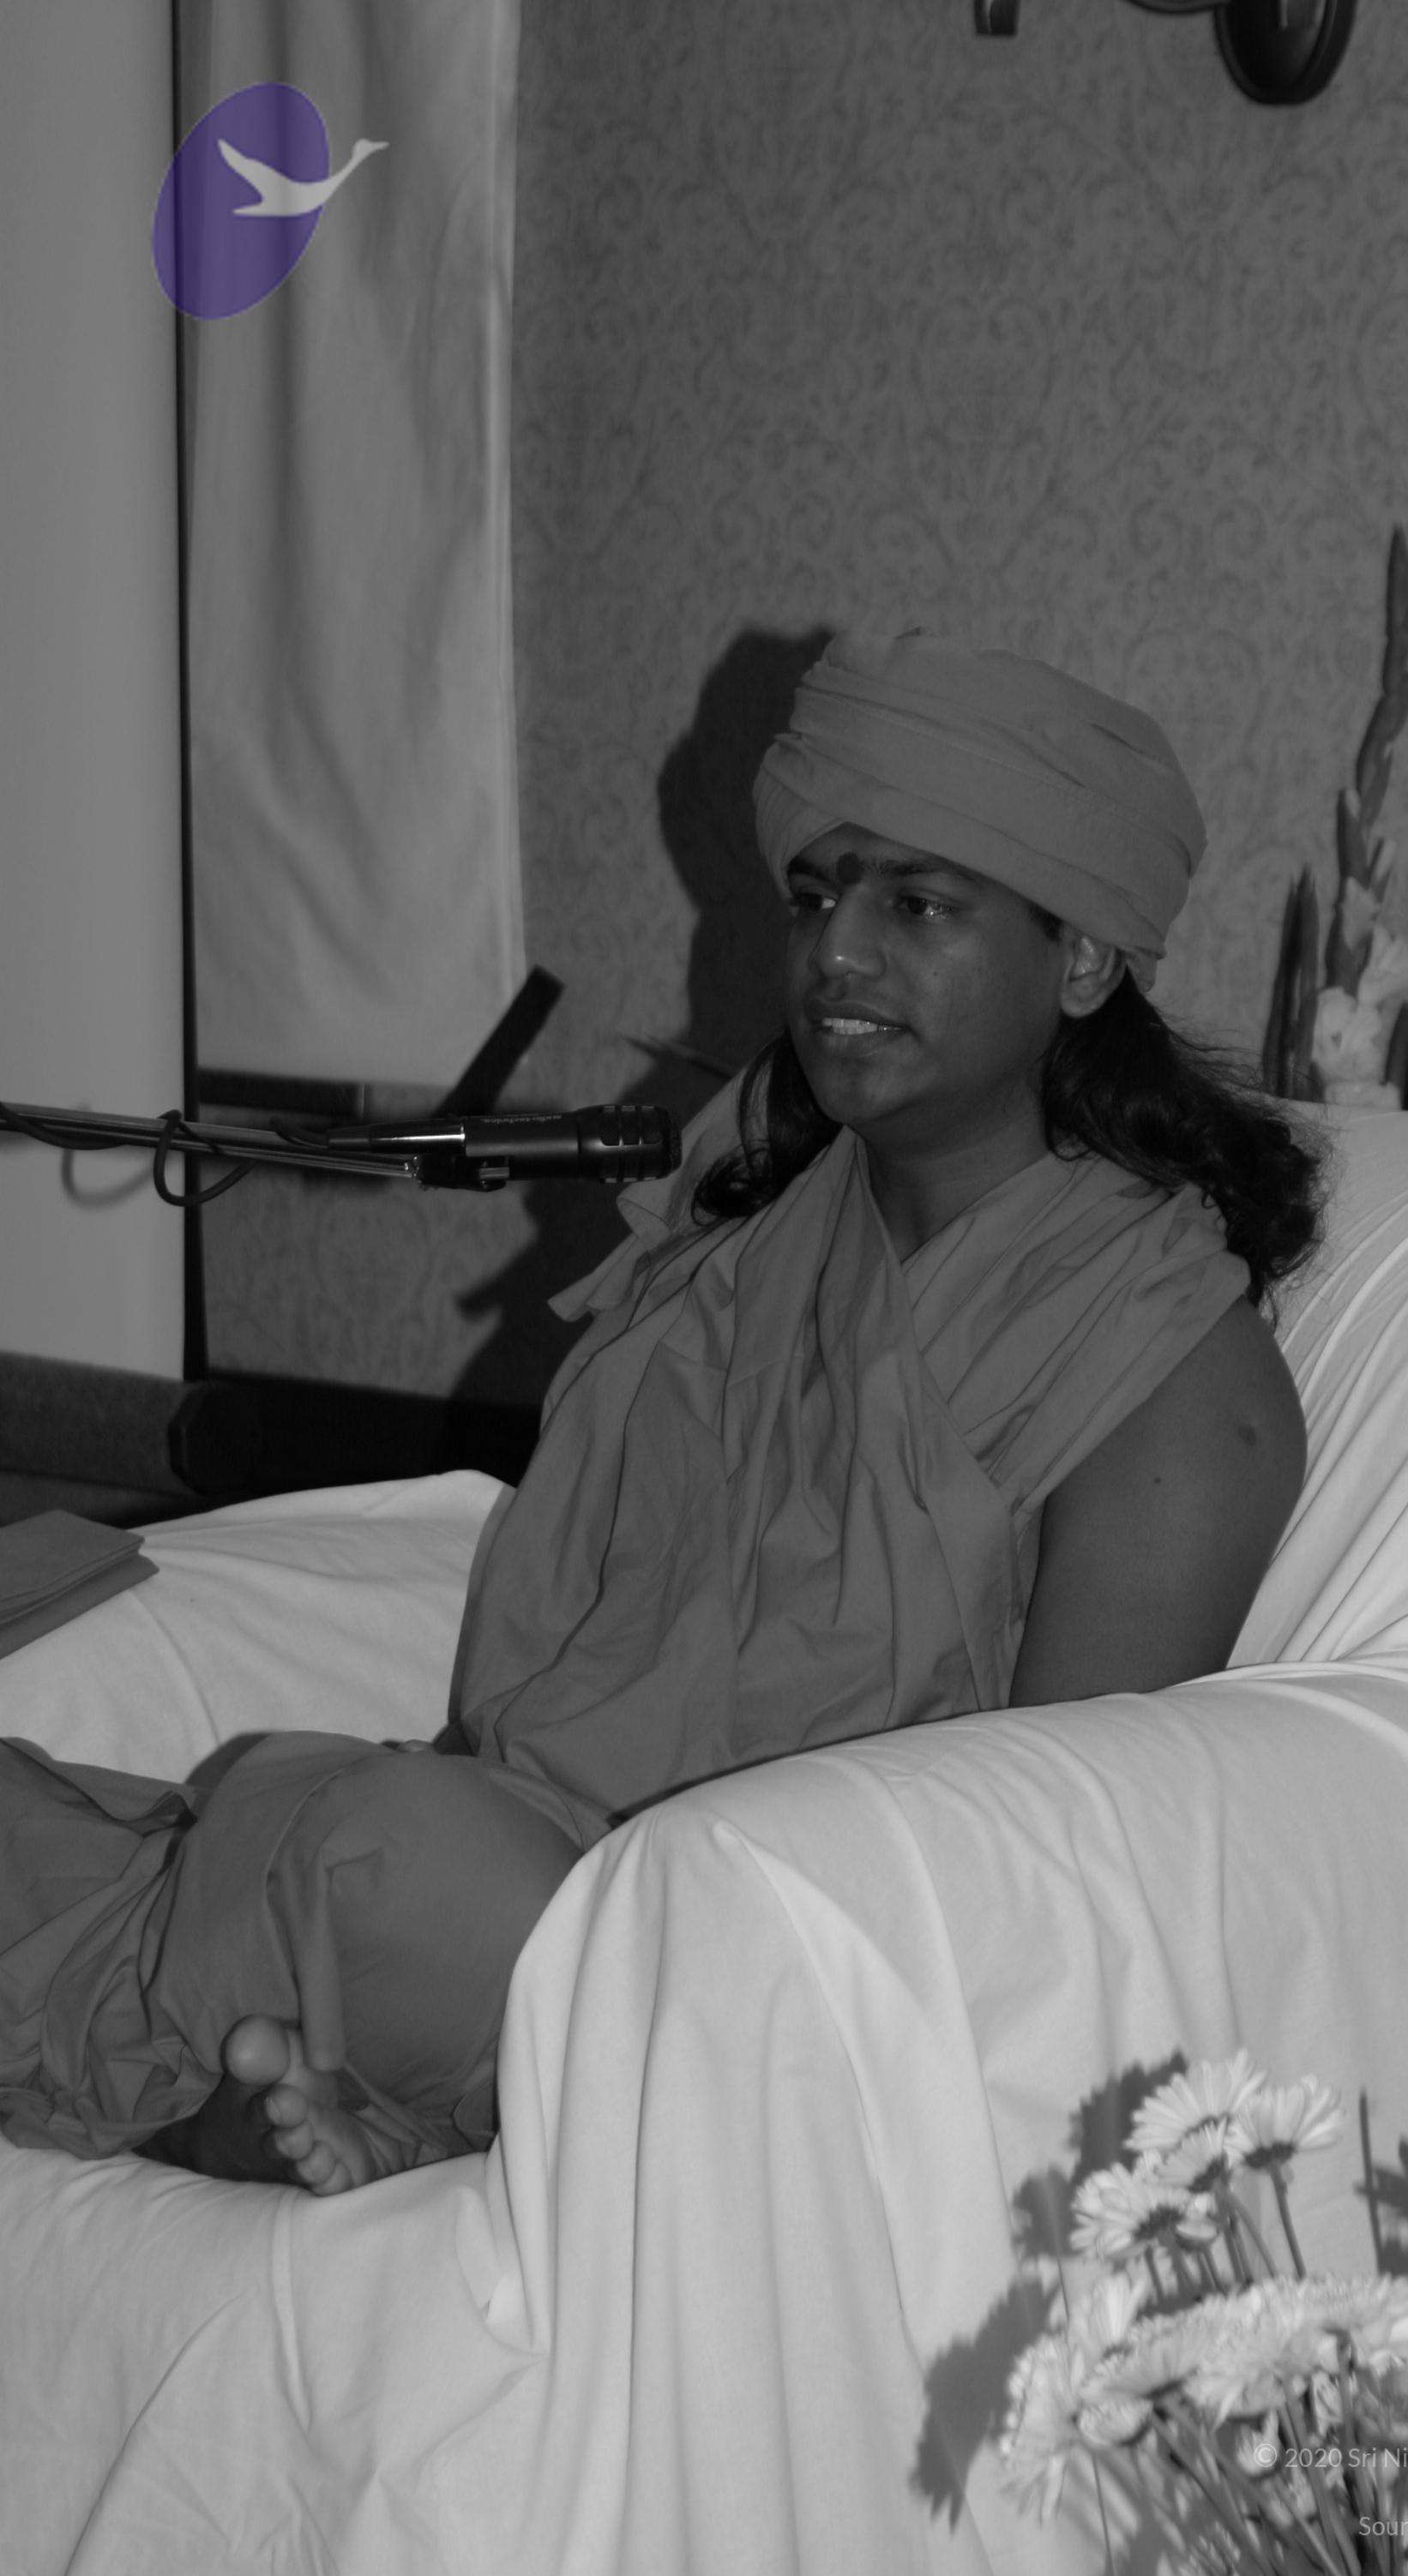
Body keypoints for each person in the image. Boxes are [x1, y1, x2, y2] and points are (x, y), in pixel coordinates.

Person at [0, 630, 1321, 2195]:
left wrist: (598, 1905)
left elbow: (1037, 1874)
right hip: (513, 1850)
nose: (837, 956)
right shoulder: (755, 1229)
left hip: (759, 1977)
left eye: (918, 905)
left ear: (1084, 960)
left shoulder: (1175, 1377)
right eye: (817, 896)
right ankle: (309, 2082)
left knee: (380, 1851)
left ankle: (242, 2092)